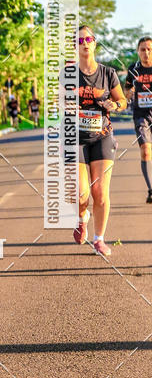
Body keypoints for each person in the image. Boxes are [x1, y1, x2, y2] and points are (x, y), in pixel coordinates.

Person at [73, 25, 126, 257]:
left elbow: (122, 100)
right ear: (75, 46)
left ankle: (99, 240)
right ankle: (81, 217)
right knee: (81, 195)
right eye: (80, 40)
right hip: (75, 139)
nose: (85, 43)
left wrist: (115, 105)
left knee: (100, 193)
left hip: (102, 136)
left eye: (88, 39)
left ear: (94, 43)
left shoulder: (108, 73)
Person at [124, 35, 152, 203]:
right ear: (138, 51)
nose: (146, 53)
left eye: (149, 49)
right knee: (146, 150)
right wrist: (130, 93)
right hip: (141, 115)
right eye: (143, 49)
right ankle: (151, 189)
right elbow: (126, 92)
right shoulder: (133, 69)